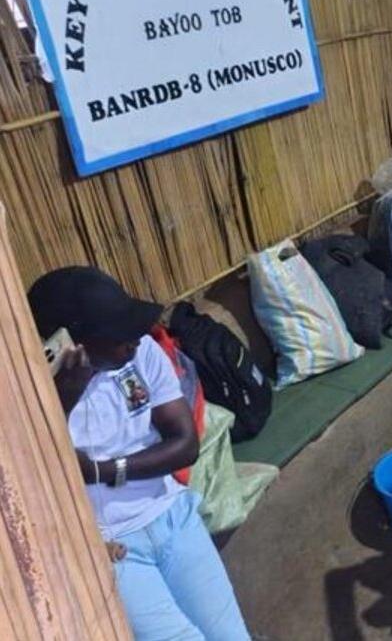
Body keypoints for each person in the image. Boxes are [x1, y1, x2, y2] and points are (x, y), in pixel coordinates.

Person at [28, 267, 250, 641]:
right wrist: (62, 401)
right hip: (113, 550)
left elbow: (184, 445)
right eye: (120, 334)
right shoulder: (36, 393)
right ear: (71, 343)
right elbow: (40, 475)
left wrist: (102, 470)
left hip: (173, 517)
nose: (134, 340)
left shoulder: (142, 351)